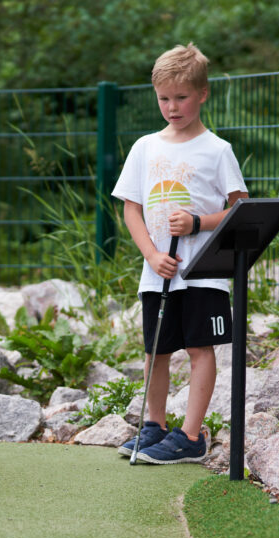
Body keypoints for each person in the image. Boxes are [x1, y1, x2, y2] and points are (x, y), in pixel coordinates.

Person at [112, 43, 248, 464]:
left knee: (199, 349)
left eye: (181, 97)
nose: (172, 107)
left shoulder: (217, 150)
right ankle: (154, 426)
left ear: (203, 94)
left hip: (203, 272)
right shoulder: (145, 147)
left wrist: (197, 223)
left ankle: (190, 437)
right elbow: (131, 209)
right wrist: (152, 255)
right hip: (158, 272)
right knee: (156, 350)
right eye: (164, 99)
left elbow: (240, 209)